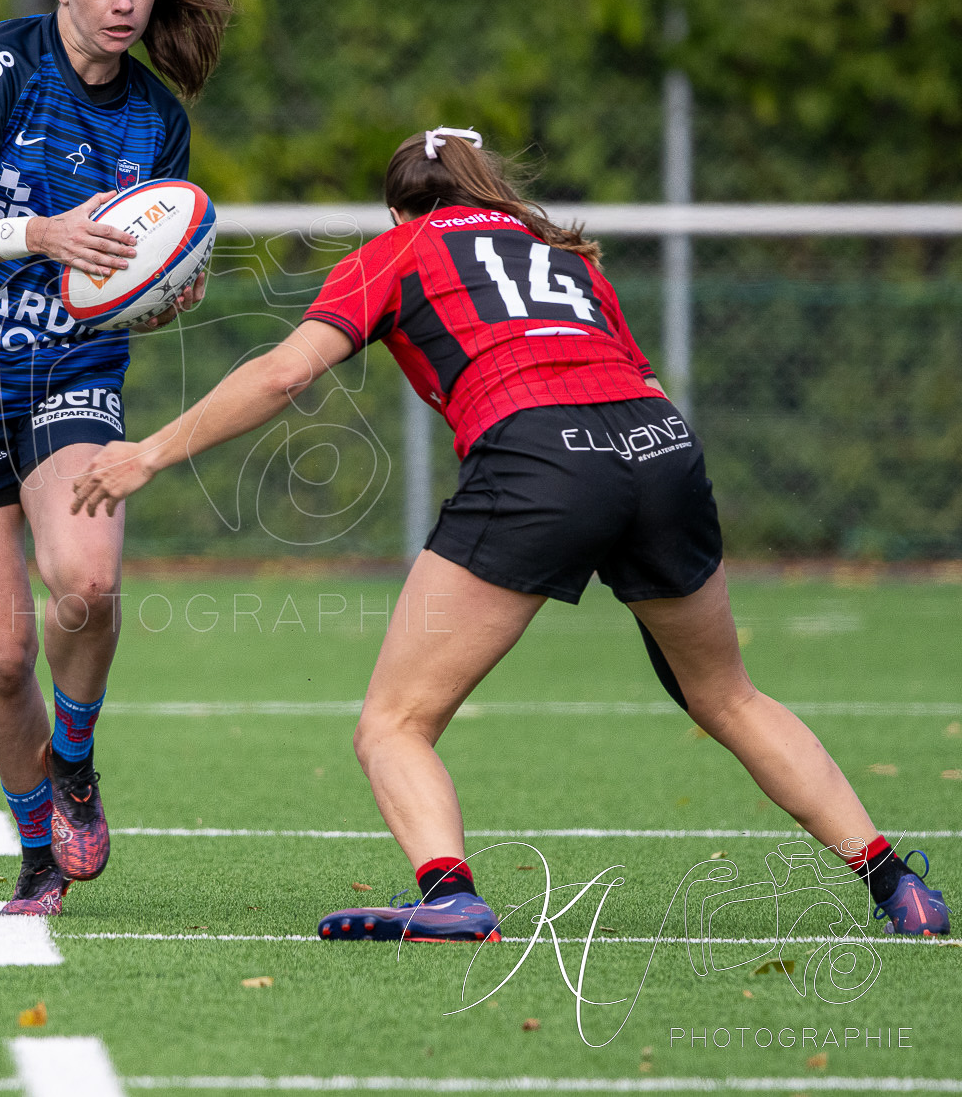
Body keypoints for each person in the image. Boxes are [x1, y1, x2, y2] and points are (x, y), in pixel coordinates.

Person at [70, 128, 949, 940]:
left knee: (393, 723)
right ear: (483, 185)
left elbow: (285, 373)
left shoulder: (397, 250)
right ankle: (897, 884)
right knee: (729, 697)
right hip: (659, 444)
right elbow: (630, 376)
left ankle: (449, 893)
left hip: (540, 454)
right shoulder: (561, 252)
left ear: (399, 209)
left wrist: (149, 452)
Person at [0, 0, 231, 915]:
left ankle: (72, 759)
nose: (122, 3)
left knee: (84, 581)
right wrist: (42, 232)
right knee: (3, 656)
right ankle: (39, 853)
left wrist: (161, 294)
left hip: (68, 374)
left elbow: (116, 291)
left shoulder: (156, 120)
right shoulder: (0, 64)